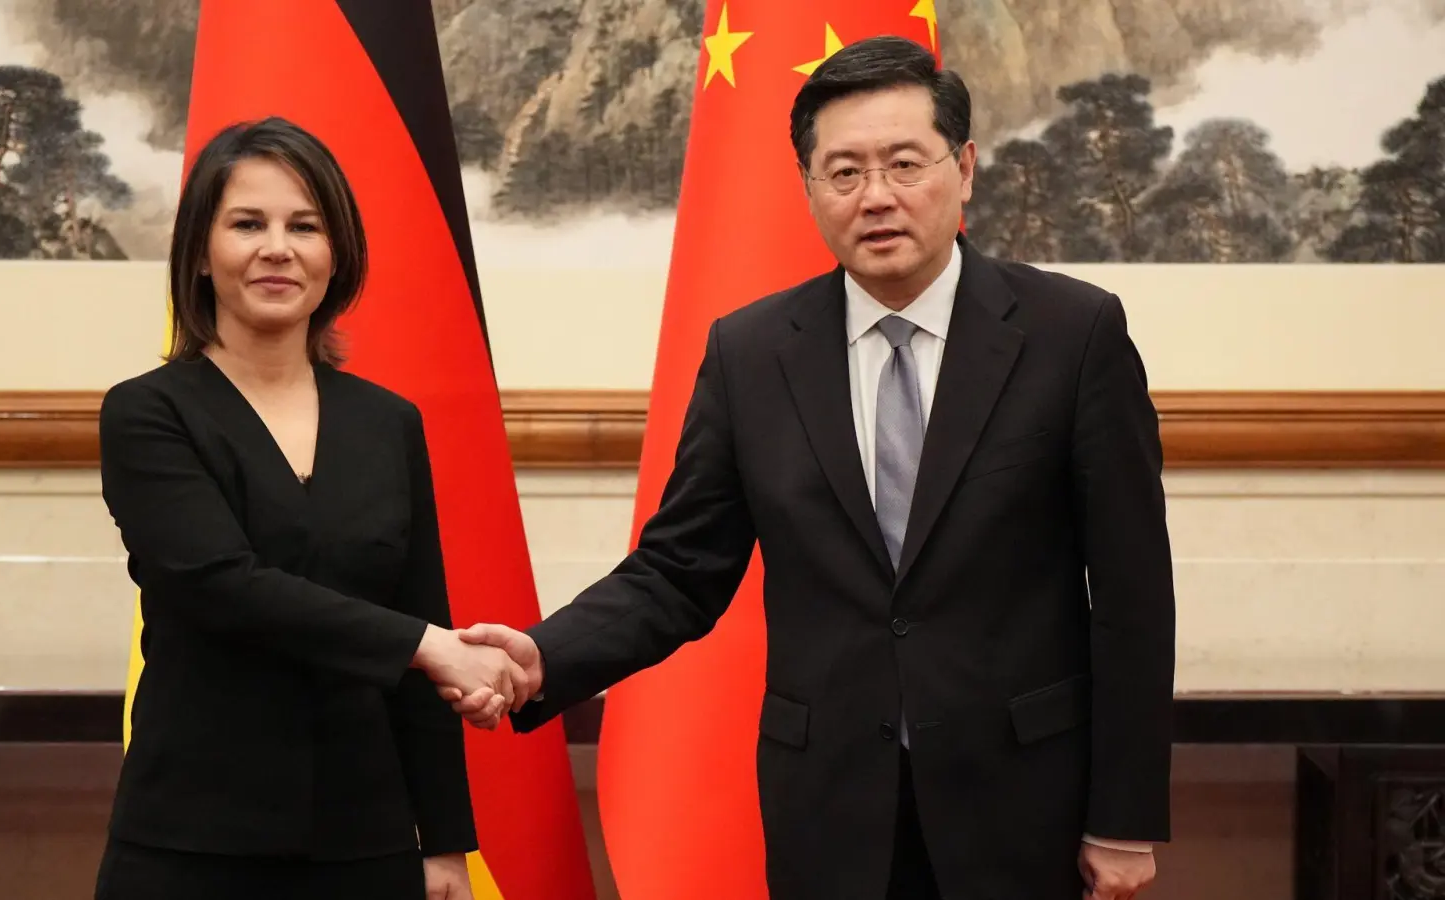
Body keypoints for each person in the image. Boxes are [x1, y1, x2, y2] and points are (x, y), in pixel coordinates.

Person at [449, 36, 1176, 900]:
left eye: (905, 163)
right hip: (831, 808)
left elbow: (1132, 595)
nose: (876, 197)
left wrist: (1124, 815)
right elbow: (679, 570)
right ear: (807, 188)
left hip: (1022, 803)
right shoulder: (753, 353)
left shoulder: (1073, 335)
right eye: (843, 172)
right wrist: (541, 654)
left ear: (966, 168)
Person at [92, 116, 522, 900]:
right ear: (198, 252)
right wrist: (427, 644)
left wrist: (447, 841)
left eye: (305, 226)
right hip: (192, 841)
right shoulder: (147, 414)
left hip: (365, 841)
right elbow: (224, 584)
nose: (278, 248)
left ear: (337, 254)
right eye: (247, 224)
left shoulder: (388, 422)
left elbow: (420, 610)